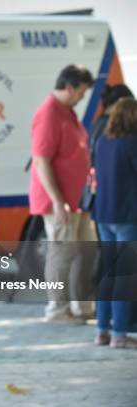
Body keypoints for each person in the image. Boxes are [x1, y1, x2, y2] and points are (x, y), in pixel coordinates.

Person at [29, 64, 97, 323]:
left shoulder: (67, 112)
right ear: (69, 87)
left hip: (77, 200)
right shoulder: (49, 114)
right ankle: (58, 309)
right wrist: (58, 201)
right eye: (81, 91)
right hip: (59, 202)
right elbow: (41, 161)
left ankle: (82, 306)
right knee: (62, 253)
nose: (83, 96)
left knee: (86, 250)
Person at [91, 97, 137, 349]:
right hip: (128, 216)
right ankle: (119, 333)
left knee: (108, 273)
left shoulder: (102, 142)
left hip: (103, 215)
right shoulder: (132, 143)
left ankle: (102, 331)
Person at [80, 84, 134, 212]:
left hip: (99, 195)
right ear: (121, 103)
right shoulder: (111, 127)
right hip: (112, 196)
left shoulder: (99, 123)